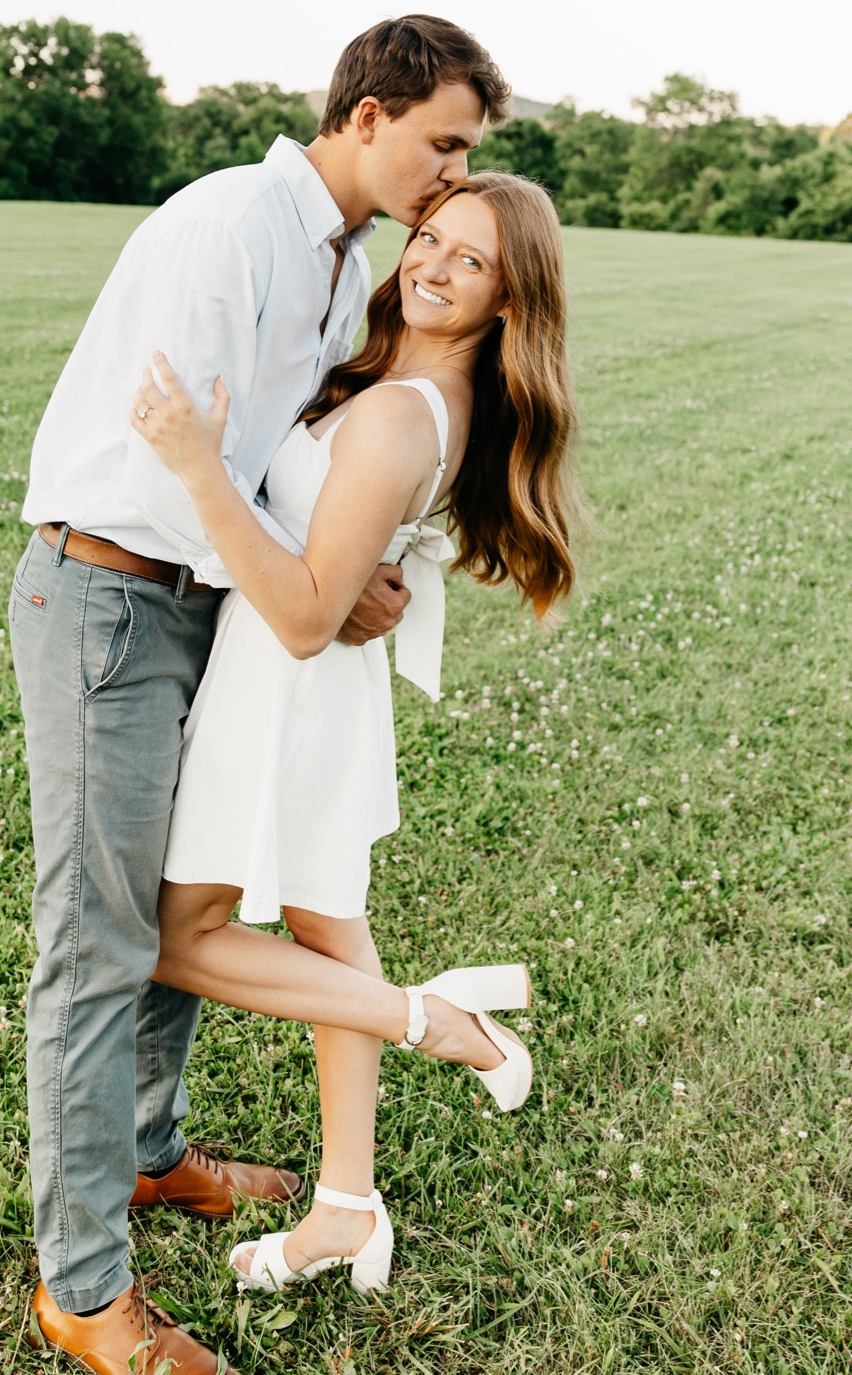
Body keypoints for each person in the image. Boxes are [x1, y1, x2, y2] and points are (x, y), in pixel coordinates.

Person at [11, 17, 511, 1375]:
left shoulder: (336, 262)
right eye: (443, 142)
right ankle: (82, 1288)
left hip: (205, 610)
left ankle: (155, 1153)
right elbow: (191, 454)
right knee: (101, 944)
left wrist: (340, 576)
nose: (451, 171)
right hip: (110, 596)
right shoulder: (231, 224)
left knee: (196, 895)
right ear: (367, 116)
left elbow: (289, 480)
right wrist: (323, 586)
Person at [130, 171, 581, 1296]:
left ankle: (436, 1019)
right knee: (331, 935)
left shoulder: (393, 412)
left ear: (509, 299)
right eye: (428, 235)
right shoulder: (409, 387)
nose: (428, 261)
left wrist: (196, 462)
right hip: (319, 692)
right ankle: (344, 1207)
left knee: (178, 938)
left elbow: (299, 613)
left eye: (468, 258)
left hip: (283, 688)